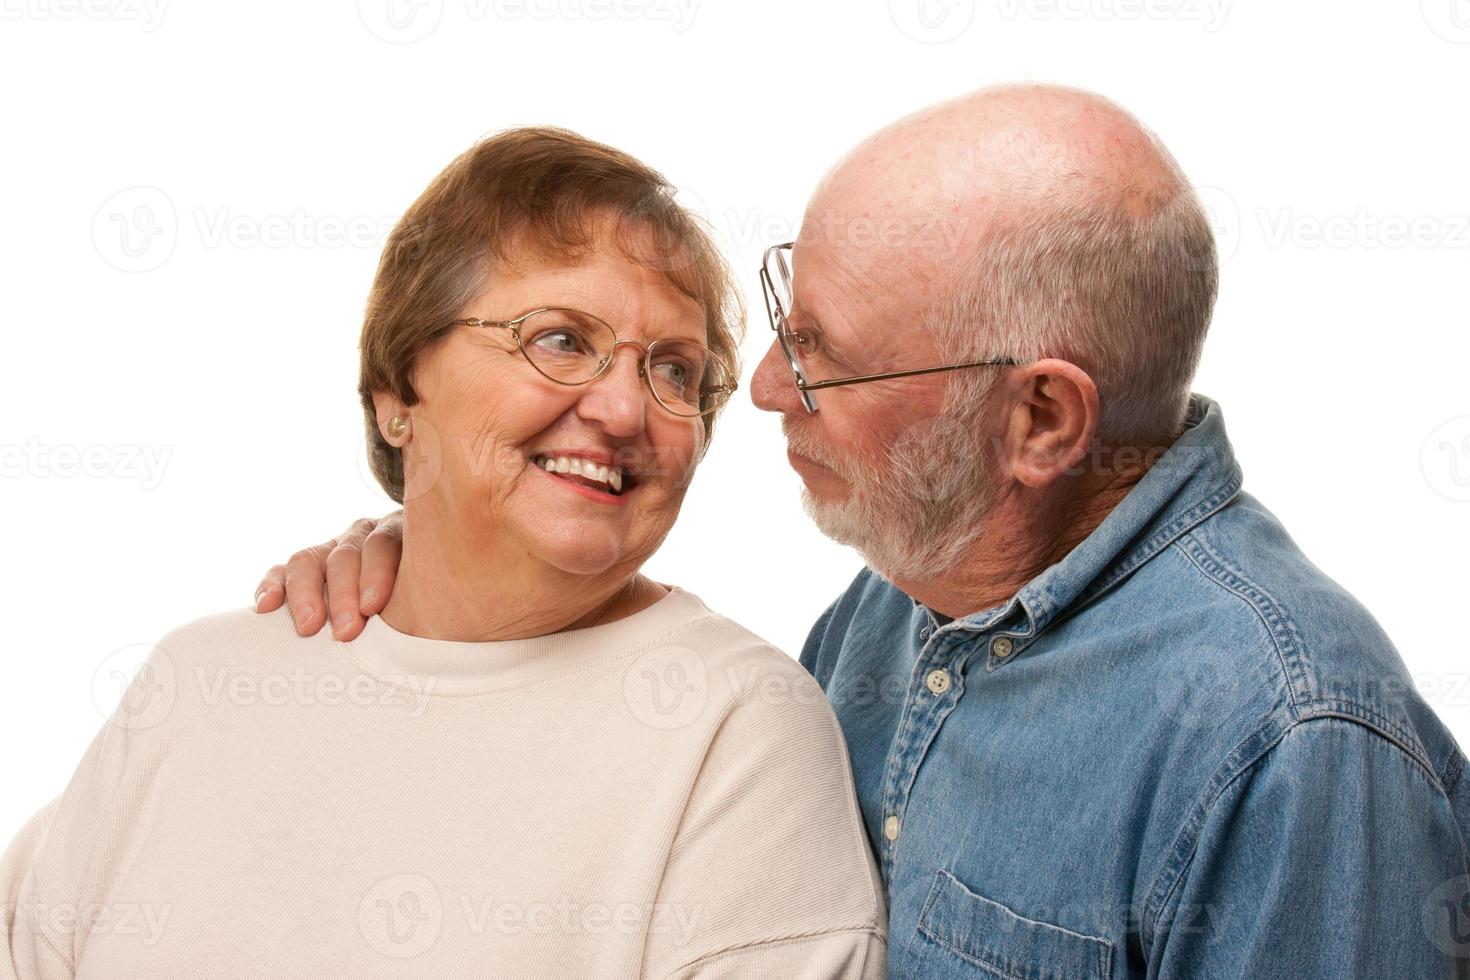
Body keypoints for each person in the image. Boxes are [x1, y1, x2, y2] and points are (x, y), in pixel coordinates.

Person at [263, 85, 1470, 977]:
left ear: (1041, 419)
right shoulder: (907, 597)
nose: (772, 391)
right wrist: (424, 573)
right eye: (787, 321)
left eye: (826, 359)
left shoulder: (1294, 742)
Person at [0, 127, 887, 979]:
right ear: (397, 389)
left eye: (674, 370)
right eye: (560, 340)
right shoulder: (201, 679)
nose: (626, 412)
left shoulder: (739, 731)